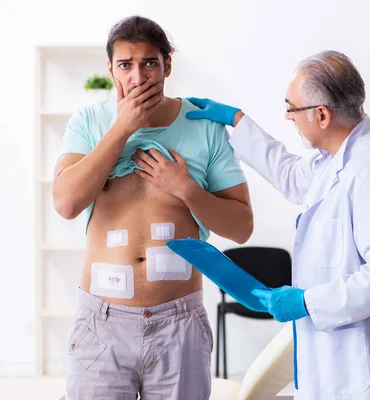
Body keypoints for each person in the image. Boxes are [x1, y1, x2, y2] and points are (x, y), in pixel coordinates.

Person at [186, 50, 370, 399]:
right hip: (337, 356)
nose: (288, 117)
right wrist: (238, 121)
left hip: (364, 364)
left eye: (292, 108)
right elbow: (295, 179)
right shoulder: (340, 151)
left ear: (322, 114)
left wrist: (309, 301)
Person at [53, 16, 253, 400]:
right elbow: (66, 203)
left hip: (179, 322)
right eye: (126, 65)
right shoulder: (89, 122)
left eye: (149, 63)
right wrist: (122, 129)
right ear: (110, 70)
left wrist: (187, 190)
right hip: (103, 321)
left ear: (167, 65)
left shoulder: (203, 126)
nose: (138, 76)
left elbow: (242, 227)